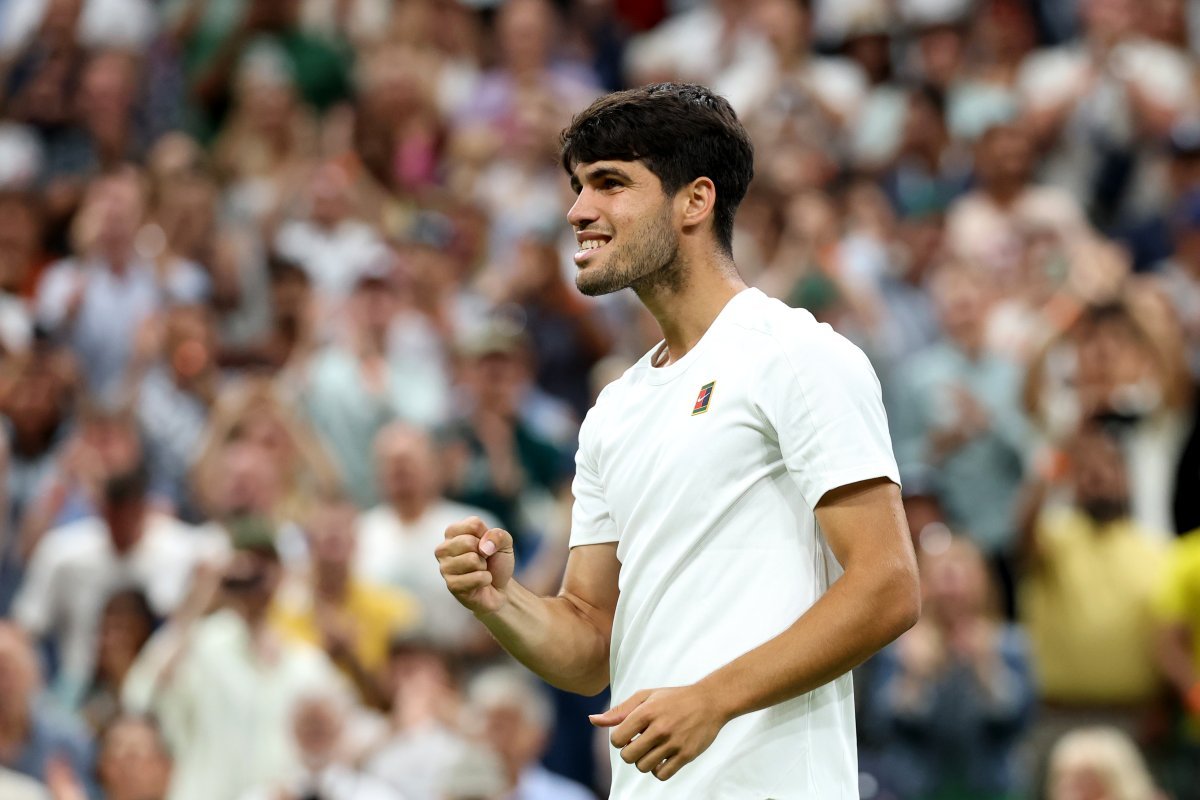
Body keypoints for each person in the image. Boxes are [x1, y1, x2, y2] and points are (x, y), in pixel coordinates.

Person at [436, 83, 920, 798]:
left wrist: (711, 699)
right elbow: (589, 644)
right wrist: (500, 600)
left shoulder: (795, 353)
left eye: (610, 183)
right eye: (578, 187)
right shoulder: (615, 409)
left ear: (695, 201)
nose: (578, 211)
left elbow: (888, 585)